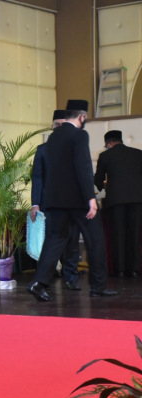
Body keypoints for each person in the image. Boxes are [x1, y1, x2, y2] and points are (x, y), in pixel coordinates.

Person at [28, 100, 118, 301]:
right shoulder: (79, 135)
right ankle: (98, 286)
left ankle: (38, 283)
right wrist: (90, 198)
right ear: (82, 116)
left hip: (55, 201)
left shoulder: (53, 137)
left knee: (54, 241)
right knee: (95, 240)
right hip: (78, 201)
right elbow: (83, 167)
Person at [30, 110, 81, 290]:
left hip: (73, 203)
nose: (59, 128)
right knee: (50, 242)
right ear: (52, 127)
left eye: (62, 125)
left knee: (72, 241)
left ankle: (71, 278)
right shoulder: (42, 150)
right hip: (49, 205)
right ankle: (45, 279)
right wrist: (35, 204)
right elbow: (37, 177)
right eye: (56, 125)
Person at [94, 130, 142, 278]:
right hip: (137, 200)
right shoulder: (138, 153)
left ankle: (120, 270)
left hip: (116, 201)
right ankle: (134, 269)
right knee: (135, 235)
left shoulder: (105, 155)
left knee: (118, 235)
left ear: (109, 144)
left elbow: (98, 179)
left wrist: (102, 186)